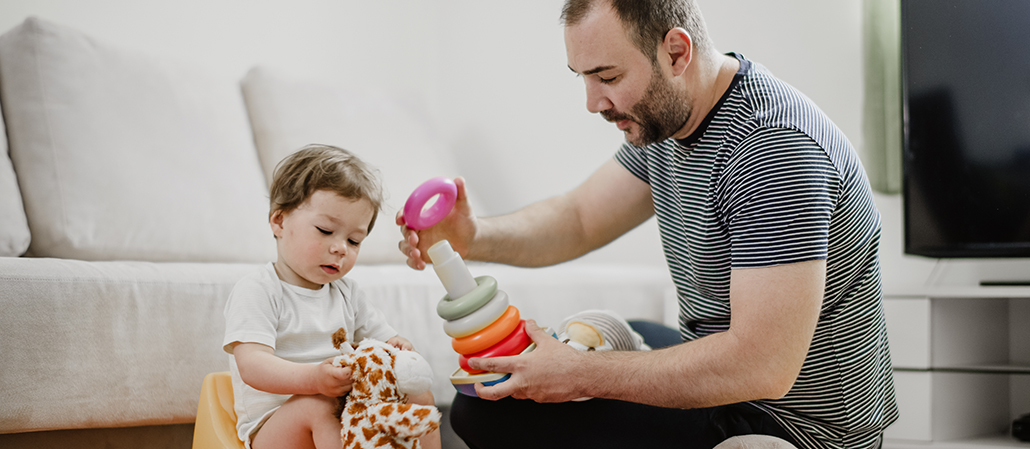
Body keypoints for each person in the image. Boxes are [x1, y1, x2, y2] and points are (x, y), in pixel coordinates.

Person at [396, 1, 897, 448]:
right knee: (613, 333)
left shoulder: (771, 149)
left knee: (485, 411)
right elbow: (580, 218)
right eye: (583, 78)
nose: (593, 102)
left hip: (793, 422)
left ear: (677, 52)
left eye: (608, 77)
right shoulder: (667, 117)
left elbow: (762, 366)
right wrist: (474, 236)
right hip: (727, 372)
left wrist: (581, 376)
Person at [224, 144, 440, 449]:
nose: (341, 248)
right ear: (279, 221)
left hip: (345, 409)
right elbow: (253, 365)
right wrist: (313, 380)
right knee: (322, 407)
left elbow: (384, 340)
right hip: (275, 429)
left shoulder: (347, 293)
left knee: (420, 398)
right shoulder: (259, 289)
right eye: (326, 230)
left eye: (354, 240)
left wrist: (398, 349)